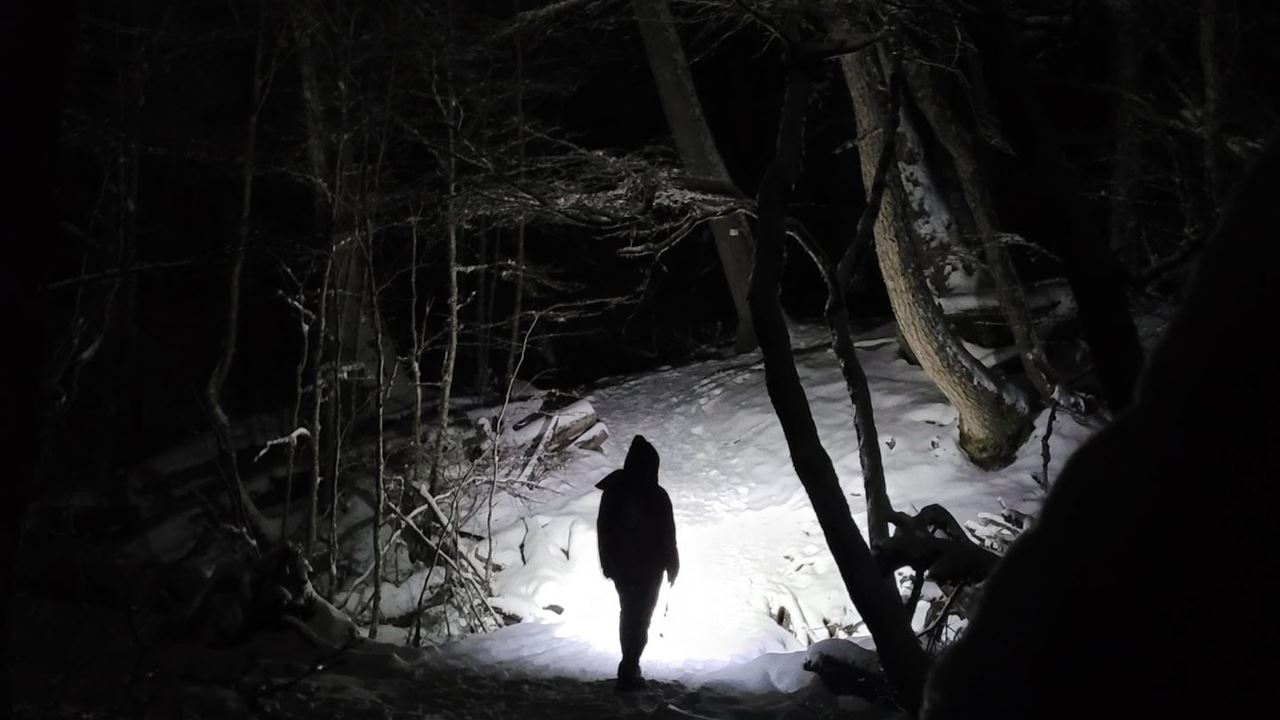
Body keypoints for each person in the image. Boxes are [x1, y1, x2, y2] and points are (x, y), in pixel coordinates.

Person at [595, 435, 679, 692]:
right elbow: (667, 535)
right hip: (647, 568)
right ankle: (629, 667)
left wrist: (607, 562)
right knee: (640, 617)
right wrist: (672, 564)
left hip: (624, 567)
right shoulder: (656, 494)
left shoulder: (615, 490)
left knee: (630, 614)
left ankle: (629, 666)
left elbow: (603, 528)